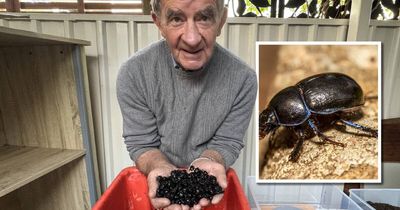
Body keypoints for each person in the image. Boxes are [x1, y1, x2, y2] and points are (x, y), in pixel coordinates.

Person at [116, 0, 257, 209]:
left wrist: (208, 161)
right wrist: (159, 166)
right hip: (157, 186)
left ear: (221, 21)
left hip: (209, 197)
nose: (192, 39)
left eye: (204, 18)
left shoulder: (244, 80)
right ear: (159, 23)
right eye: (176, 19)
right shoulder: (134, 74)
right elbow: (142, 142)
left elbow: (227, 141)